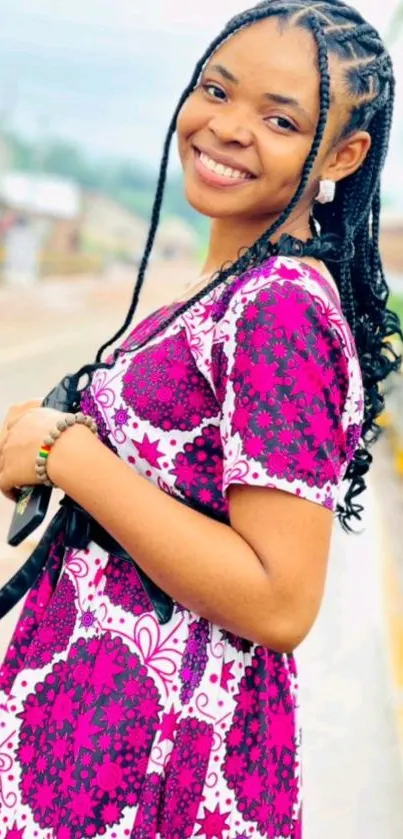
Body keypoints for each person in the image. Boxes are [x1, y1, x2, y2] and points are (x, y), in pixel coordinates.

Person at [0, 1, 400, 837]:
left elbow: (279, 600)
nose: (227, 127)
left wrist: (68, 456)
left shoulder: (281, 309)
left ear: (342, 153)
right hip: (93, 729)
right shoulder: (226, 293)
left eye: (280, 117)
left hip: (157, 756)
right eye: (216, 90)